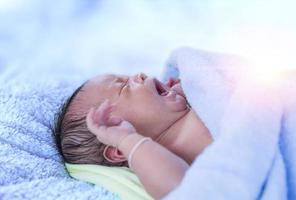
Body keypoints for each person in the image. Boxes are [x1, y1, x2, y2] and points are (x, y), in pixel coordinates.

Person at [54, 73, 213, 199]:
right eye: (124, 87)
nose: (140, 74)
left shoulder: (188, 101)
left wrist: (185, 85)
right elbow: (182, 190)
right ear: (119, 149)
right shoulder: (160, 164)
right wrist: (128, 140)